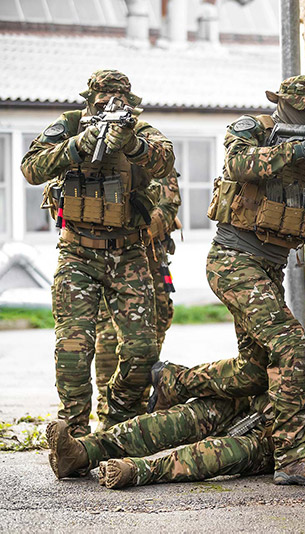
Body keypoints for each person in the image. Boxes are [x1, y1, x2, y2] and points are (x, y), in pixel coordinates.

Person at [148, 75, 305, 486]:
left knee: (254, 371)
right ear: (290, 107)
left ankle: (174, 381)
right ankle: (290, 459)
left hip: (269, 268)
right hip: (234, 261)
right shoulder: (252, 129)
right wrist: (301, 147)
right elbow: (239, 164)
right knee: (295, 353)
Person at [20, 69, 175, 437]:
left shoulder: (140, 131)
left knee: (142, 350)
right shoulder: (71, 125)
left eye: (118, 102)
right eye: (102, 102)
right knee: (74, 348)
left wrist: (132, 144)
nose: (109, 107)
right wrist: (80, 143)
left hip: (128, 254)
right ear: (90, 100)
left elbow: (165, 161)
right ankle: (73, 433)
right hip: (77, 253)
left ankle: (118, 418)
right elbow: (31, 168)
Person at [45, 345, 305, 489]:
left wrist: (285, 436)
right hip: (262, 400)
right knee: (181, 420)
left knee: (222, 453)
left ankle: (138, 472)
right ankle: (81, 452)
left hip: (282, 444)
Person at [93, 169, 181, 430]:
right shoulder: (102, 158)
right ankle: (108, 410)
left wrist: (136, 225)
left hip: (151, 257)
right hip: (111, 258)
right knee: (109, 334)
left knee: (155, 327)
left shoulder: (154, 157)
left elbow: (168, 206)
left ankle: (138, 403)